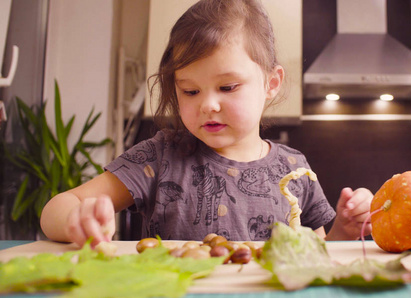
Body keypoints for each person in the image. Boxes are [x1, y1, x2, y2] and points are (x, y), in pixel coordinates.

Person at [40, 0, 373, 247]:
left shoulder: (294, 169)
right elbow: (57, 207)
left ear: (271, 84)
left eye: (227, 87)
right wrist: (75, 219)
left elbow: (321, 249)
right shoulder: (159, 156)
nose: (208, 104)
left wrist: (343, 231)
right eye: (190, 90)